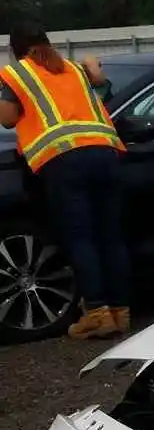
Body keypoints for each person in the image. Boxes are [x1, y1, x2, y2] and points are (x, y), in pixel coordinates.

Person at [0, 25, 131, 340]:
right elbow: (99, 93)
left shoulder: (16, 74)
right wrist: (97, 74)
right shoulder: (73, 69)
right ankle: (121, 314)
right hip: (106, 154)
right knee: (111, 237)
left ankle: (97, 315)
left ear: (16, 50)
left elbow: (6, 119)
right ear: (48, 43)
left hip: (63, 161)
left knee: (81, 238)